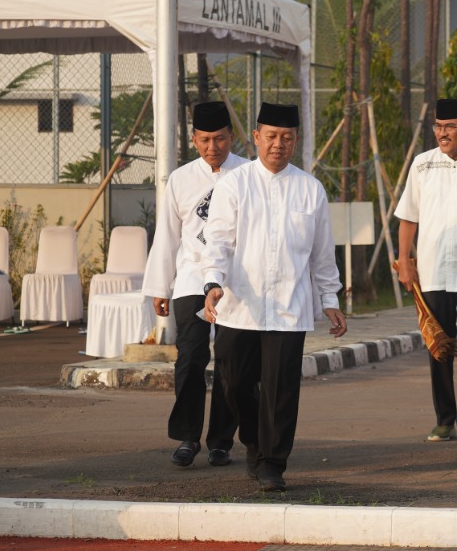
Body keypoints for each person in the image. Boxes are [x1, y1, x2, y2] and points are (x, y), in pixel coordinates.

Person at [202, 102, 346, 491]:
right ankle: (253, 440)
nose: (278, 145)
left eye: (286, 137)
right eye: (270, 136)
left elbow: (321, 254)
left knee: (281, 390)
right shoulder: (235, 184)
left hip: (288, 307)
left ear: (295, 140)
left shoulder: (310, 189)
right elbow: (218, 241)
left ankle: (272, 463)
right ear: (255, 137)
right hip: (239, 308)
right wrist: (212, 283)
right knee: (232, 382)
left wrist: (329, 300)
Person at [144, 100, 244, 468]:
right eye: (204, 140)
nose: (212, 148)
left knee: (232, 364)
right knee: (190, 358)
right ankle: (188, 436)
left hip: (235, 283)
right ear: (194, 139)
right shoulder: (181, 179)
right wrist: (160, 286)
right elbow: (168, 236)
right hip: (190, 279)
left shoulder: (248, 174)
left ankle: (221, 441)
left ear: (232, 137)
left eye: (219, 139)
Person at [395, 98, 457, 447]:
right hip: (433, 270)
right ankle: (444, 419)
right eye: (438, 127)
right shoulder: (422, 165)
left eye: (450, 127)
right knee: (438, 347)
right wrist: (404, 260)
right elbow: (409, 216)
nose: (442, 133)